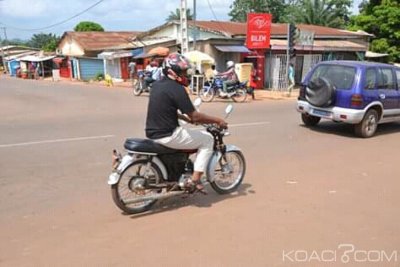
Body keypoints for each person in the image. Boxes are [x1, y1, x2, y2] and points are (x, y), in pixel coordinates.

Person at [145, 53, 228, 194]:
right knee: (207, 139)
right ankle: (195, 180)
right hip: (169, 135)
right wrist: (218, 120)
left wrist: (184, 119)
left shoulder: (157, 85)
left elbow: (166, 109)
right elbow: (195, 116)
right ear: (173, 72)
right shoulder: (177, 89)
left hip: (153, 132)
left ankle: (179, 175)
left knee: (190, 137)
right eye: (183, 72)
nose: (185, 75)